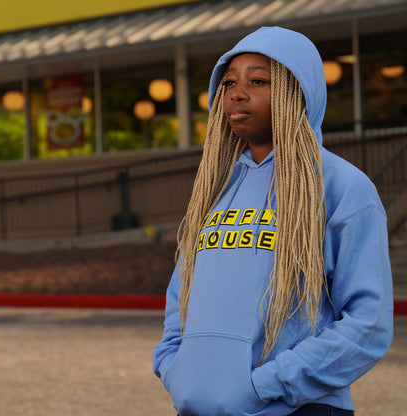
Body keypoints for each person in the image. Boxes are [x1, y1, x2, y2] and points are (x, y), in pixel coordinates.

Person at [152, 26, 393, 416]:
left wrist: (269, 385)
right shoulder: (214, 188)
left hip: (299, 408)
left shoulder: (342, 186)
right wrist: (175, 368)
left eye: (258, 80)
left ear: (297, 91)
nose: (237, 92)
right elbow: (182, 299)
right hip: (202, 408)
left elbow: (368, 323)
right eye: (229, 82)